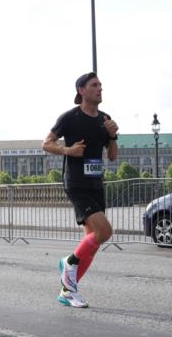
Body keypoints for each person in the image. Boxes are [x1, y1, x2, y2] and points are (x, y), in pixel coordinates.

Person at [42, 72, 119, 309]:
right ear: (81, 90)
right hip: (76, 183)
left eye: (101, 86)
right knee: (104, 231)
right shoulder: (70, 117)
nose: (100, 89)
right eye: (94, 85)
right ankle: (69, 261)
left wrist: (113, 135)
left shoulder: (104, 118)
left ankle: (68, 290)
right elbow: (46, 144)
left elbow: (113, 157)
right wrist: (68, 151)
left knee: (93, 243)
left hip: (96, 183)